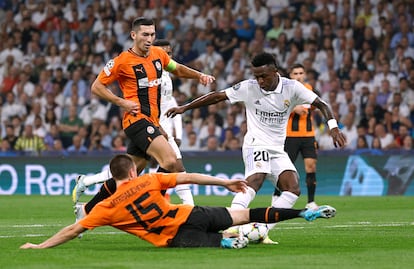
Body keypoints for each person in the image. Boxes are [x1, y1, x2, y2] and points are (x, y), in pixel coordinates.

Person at [166, 52, 346, 244]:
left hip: (277, 148)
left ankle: (262, 231)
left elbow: (321, 104)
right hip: (255, 143)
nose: (260, 81)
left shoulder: (292, 87)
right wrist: (185, 108)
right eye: (257, 77)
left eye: (264, 76)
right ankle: (230, 226)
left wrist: (333, 127)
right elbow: (218, 96)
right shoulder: (249, 87)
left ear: (275, 71)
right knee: (256, 180)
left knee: (292, 188)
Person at [20, 154, 336, 249]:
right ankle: (301, 213)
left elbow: (73, 230)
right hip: (189, 213)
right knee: (244, 213)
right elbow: (189, 176)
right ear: (132, 170)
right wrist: (224, 181)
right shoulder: (149, 179)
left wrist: (40, 247)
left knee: (216, 243)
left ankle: (229, 244)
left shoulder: (104, 208)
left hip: (174, 236)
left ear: (111, 176)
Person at [71, 18, 213, 207]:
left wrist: (199, 75)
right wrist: (122, 102)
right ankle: (153, 201)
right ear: (134, 35)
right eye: (145, 34)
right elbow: (97, 87)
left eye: (152, 34)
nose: (149, 39)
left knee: (129, 174)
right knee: (171, 161)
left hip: (152, 121)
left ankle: (88, 208)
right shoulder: (121, 61)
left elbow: (176, 68)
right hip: (136, 120)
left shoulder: (158, 55)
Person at [279, 63, 321, 210]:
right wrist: (292, 108)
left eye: (301, 73)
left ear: (304, 75)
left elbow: (316, 106)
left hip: (308, 135)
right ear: (290, 76)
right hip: (290, 136)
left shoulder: (310, 89)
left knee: (311, 166)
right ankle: (277, 196)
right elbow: (277, 107)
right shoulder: (284, 89)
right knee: (284, 169)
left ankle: (310, 202)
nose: (298, 76)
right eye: (295, 73)